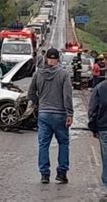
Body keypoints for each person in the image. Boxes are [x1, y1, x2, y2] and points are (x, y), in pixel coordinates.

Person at [28, 48, 73, 184]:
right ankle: (61, 173)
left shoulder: (38, 74)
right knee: (63, 143)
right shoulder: (64, 74)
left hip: (44, 114)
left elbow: (31, 93)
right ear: (58, 59)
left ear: (46, 58)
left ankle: (44, 175)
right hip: (60, 114)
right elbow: (67, 95)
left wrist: (38, 103)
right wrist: (69, 113)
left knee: (43, 144)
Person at [88, 80, 107, 193]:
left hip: (104, 127)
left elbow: (93, 109)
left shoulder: (100, 88)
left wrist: (93, 127)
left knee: (106, 156)